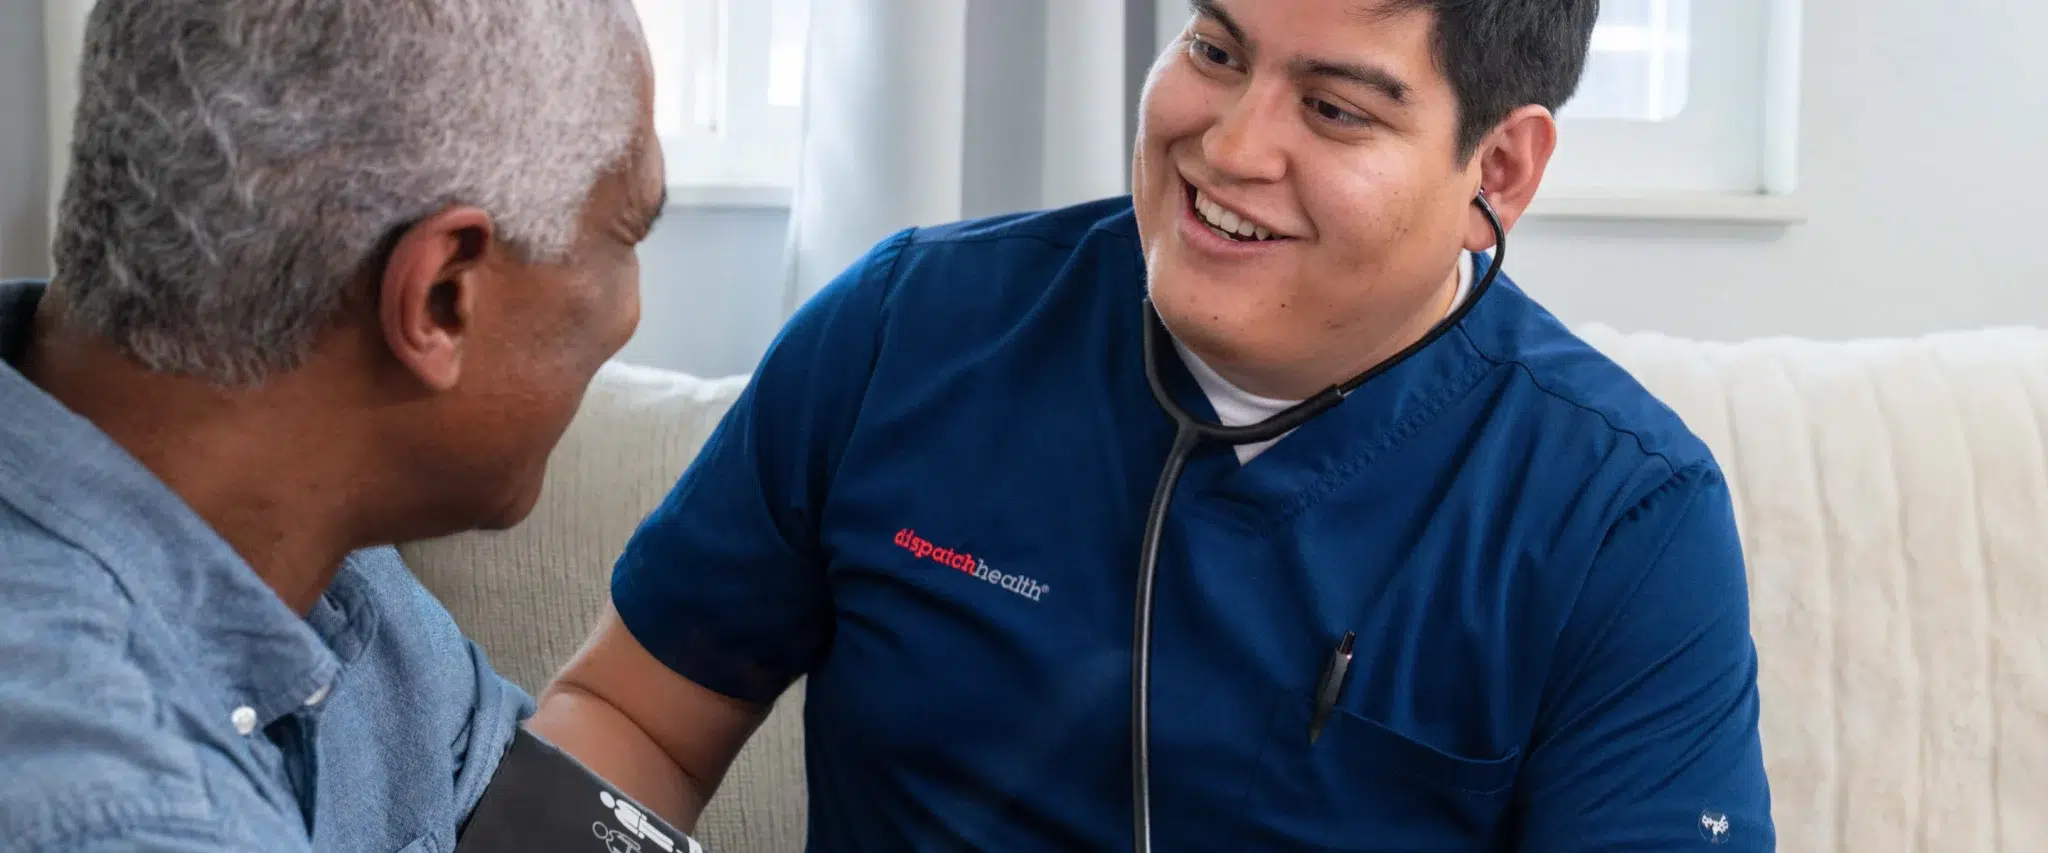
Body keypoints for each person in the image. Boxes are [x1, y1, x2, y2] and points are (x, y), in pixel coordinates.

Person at [533, 0, 1776, 849]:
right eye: (1216, 50)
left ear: (1495, 173)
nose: (1228, 147)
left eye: (1335, 110)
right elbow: (633, 718)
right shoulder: (904, 329)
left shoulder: (1622, 520)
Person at [0, 1, 662, 850]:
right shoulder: (124, 813)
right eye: (626, 233)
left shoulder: (306, 545)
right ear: (440, 298)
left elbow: (519, 808)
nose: (630, 313)